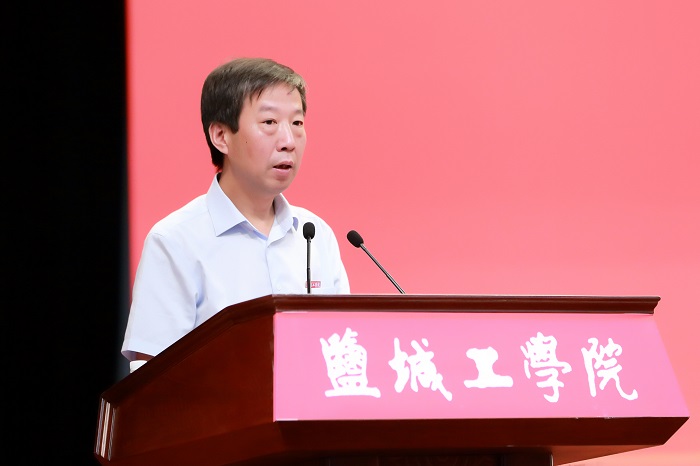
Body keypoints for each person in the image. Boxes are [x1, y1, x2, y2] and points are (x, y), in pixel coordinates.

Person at [121, 57, 350, 370]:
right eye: (269, 123)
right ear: (221, 136)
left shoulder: (315, 234)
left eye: (297, 123)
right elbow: (151, 376)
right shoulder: (175, 241)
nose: (288, 141)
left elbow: (342, 347)